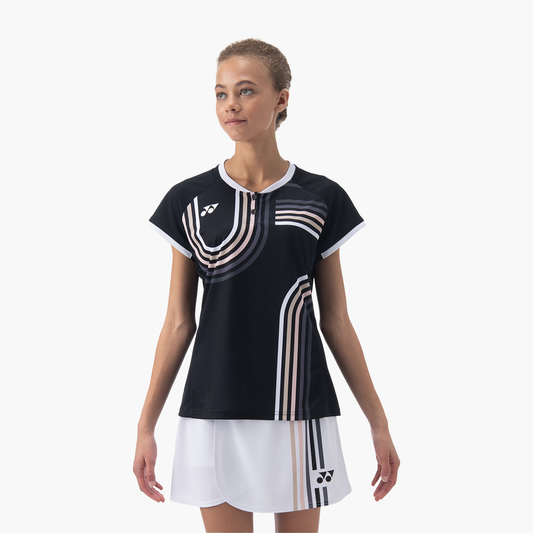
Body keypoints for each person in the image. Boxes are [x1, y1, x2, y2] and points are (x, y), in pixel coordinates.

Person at [133, 38, 399, 533]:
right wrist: (146, 425)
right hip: (213, 408)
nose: (230, 104)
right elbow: (178, 322)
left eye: (246, 90)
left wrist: (377, 422)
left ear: (281, 99)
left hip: (299, 409)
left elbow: (336, 321)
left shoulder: (321, 197)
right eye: (220, 93)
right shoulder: (188, 199)